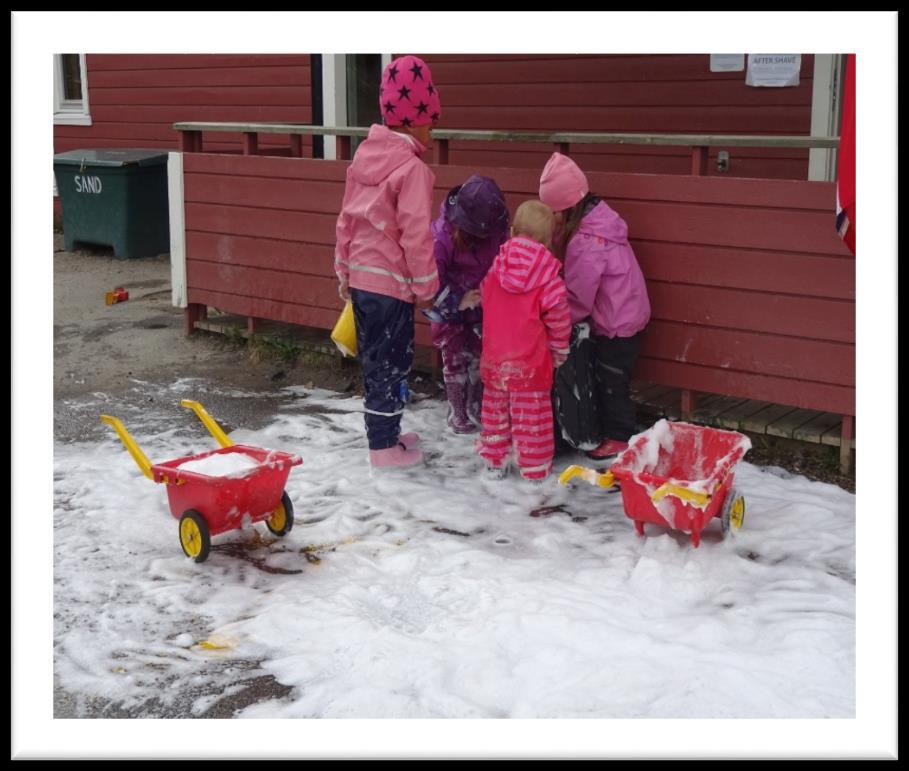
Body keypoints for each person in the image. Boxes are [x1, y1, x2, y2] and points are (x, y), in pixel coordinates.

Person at [334, 55, 441, 469]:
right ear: (413, 120)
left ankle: (389, 436)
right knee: (391, 366)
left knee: (379, 363)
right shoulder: (412, 170)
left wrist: (344, 270)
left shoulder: (364, 158)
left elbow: (346, 218)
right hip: (392, 288)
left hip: (363, 282)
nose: (433, 129)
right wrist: (427, 288)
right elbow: (416, 235)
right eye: (431, 120)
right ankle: (382, 449)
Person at [539, 152, 651, 459]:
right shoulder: (600, 222)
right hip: (625, 312)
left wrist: (552, 318)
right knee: (608, 375)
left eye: (555, 213)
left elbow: (578, 297)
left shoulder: (587, 242)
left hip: (618, 322)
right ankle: (610, 428)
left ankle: (620, 436)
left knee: (612, 379)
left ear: (567, 208)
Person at [477, 200, 571, 481]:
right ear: (546, 240)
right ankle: (534, 469)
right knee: (532, 419)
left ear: (513, 230)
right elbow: (559, 315)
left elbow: (485, 296)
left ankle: (495, 462)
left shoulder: (496, 269)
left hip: (495, 359)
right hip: (530, 362)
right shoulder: (547, 277)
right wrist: (559, 346)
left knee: (495, 414)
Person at [424, 174, 509, 434]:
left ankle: (475, 407)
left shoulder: (496, 233)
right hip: (448, 310)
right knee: (455, 361)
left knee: (477, 359)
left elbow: (503, 259)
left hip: (481, 307)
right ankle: (457, 412)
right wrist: (457, 300)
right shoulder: (441, 238)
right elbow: (429, 283)